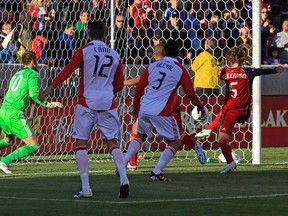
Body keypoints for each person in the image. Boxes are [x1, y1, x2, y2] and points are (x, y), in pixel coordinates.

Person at [39, 21, 129, 198]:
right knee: (112, 142)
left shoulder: (83, 51)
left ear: (88, 33)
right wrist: (107, 91)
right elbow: (119, 84)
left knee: (81, 142)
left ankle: (86, 188)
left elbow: (68, 70)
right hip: (108, 102)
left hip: (86, 101)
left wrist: (50, 88)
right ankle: (124, 178)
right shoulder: (115, 54)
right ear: (105, 34)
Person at [123, 40, 207, 181]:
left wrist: (136, 108)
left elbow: (139, 88)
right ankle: (156, 172)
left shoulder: (152, 66)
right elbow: (190, 93)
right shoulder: (180, 69)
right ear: (179, 53)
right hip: (162, 110)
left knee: (139, 136)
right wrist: (200, 107)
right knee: (175, 142)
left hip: (146, 107)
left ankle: (123, 164)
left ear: (164, 53)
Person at [195, 46, 285, 174]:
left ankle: (211, 134)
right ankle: (210, 131)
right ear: (242, 59)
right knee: (224, 114)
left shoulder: (225, 72)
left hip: (231, 111)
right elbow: (260, 71)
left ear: (229, 60)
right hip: (245, 112)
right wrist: (276, 69)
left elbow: (219, 74)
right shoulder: (248, 71)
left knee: (222, 139)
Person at [0, 51, 63, 174]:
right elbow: (34, 94)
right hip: (15, 113)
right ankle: (4, 161)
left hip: (3, 110)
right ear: (33, 62)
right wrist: (47, 104)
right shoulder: (32, 74)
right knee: (33, 146)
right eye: (37, 61)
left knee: (8, 140)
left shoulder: (17, 73)